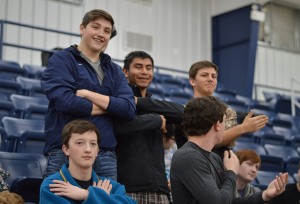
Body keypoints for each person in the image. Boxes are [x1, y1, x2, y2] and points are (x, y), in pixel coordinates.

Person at [41, 9, 136, 179]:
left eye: (107, 31)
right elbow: (66, 102)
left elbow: (128, 109)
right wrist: (111, 106)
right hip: (65, 151)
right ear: (82, 28)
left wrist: (87, 94)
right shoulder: (61, 59)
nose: (101, 34)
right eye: (96, 27)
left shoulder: (114, 70)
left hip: (104, 153)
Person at [170, 96, 288, 204]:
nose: (226, 127)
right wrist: (231, 172)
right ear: (217, 125)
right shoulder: (188, 156)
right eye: (225, 122)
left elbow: (229, 201)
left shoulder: (213, 157)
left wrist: (264, 195)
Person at [114, 51, 184, 204]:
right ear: (125, 72)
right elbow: (118, 127)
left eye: (149, 67)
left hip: (159, 189)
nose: (144, 72)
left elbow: (182, 113)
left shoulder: (154, 104)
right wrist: (156, 120)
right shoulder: (117, 100)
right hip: (128, 188)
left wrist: (138, 101)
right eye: (138, 67)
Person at [175, 60, 269, 157]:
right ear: (192, 81)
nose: (210, 79)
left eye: (213, 76)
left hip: (218, 166)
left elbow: (225, 142)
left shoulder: (227, 111)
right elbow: (203, 141)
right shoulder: (182, 110)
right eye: (204, 75)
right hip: (189, 161)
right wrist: (243, 127)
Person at [39, 119, 137, 204]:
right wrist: (102, 197)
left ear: (97, 150)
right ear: (66, 149)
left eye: (93, 144)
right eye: (80, 143)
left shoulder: (111, 186)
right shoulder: (53, 186)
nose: (88, 149)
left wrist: (87, 194)